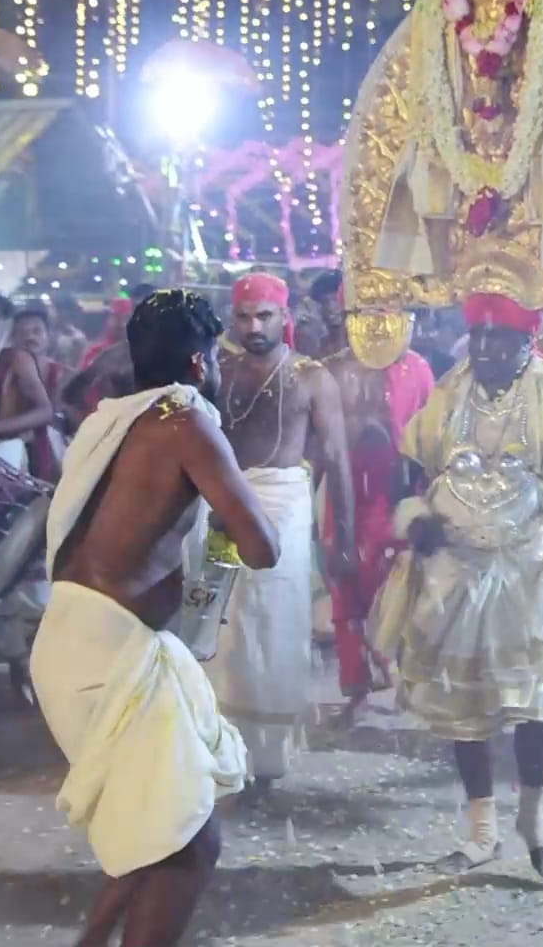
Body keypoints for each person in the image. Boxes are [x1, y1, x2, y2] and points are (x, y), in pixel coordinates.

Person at [31, 290, 278, 947]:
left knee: (159, 826)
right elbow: (262, 546)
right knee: (188, 847)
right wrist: (228, 520)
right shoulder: (186, 421)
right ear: (200, 362)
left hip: (69, 639)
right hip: (111, 654)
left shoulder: (108, 419)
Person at [368, 292, 543, 877]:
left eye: (503, 338)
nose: (489, 348)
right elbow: (413, 460)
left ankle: (534, 818)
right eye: (482, 336)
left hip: (529, 563)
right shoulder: (451, 387)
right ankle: (481, 832)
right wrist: (415, 513)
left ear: (529, 340)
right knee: (461, 694)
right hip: (456, 563)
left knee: (536, 699)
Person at [212, 272, 352, 799]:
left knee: (273, 629)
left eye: (265, 315)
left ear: (285, 317)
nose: (254, 326)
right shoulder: (219, 373)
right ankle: (222, 747)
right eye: (244, 316)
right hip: (223, 507)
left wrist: (345, 537)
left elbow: (336, 460)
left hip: (284, 512)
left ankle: (266, 761)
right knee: (220, 626)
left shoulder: (311, 378)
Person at [310, 272, 434, 724]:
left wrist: (425, 501)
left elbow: (428, 443)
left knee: (396, 586)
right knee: (345, 592)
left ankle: (401, 676)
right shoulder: (333, 371)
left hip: (394, 495)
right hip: (345, 497)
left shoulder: (418, 370)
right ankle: (358, 690)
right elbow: (320, 445)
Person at [0, 308, 67, 481]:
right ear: (12, 338)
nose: (30, 337)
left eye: (36, 331)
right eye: (22, 332)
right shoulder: (2, 362)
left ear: (49, 335)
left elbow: (51, 414)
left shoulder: (61, 373)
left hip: (44, 453)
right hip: (4, 449)